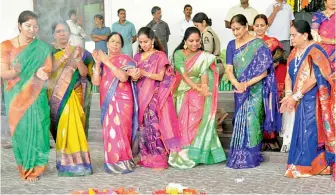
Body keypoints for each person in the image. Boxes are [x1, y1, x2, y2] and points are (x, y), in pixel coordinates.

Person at [0, 10, 52, 182]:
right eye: (28, 26)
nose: (32, 29)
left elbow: (47, 69)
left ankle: (36, 166)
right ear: (19, 26)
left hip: (36, 94)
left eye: (35, 26)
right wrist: (13, 71)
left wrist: (41, 73)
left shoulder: (42, 48)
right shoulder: (6, 46)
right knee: (21, 131)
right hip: (15, 96)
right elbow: (3, 73)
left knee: (39, 128)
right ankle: (27, 168)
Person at [225, 14, 282, 169]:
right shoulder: (231, 45)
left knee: (252, 121)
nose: (235, 32)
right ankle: (238, 154)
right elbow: (229, 69)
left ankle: (252, 155)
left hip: (256, 89)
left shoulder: (258, 44)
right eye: (233, 29)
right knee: (240, 120)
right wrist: (237, 83)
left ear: (246, 27)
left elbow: (264, 72)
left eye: (238, 29)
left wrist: (247, 83)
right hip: (239, 89)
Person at [281, 20, 335, 180]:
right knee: (299, 130)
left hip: (312, 99)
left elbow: (314, 78)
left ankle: (313, 165)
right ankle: (298, 163)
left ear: (305, 35)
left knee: (310, 131)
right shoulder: (293, 52)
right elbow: (288, 76)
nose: (291, 39)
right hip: (298, 99)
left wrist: (297, 95)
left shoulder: (316, 50)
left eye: (294, 35)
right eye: (290, 35)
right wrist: (289, 93)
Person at [168, 27, 226, 169]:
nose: (194, 43)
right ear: (185, 41)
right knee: (183, 123)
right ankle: (182, 153)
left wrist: (204, 87)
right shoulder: (178, 54)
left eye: (197, 41)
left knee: (196, 122)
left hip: (199, 93)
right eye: (191, 41)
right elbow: (183, 75)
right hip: (183, 91)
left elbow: (204, 73)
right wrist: (198, 88)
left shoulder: (203, 56)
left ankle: (196, 152)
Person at [128, 27, 182, 170]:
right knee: (143, 126)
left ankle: (158, 158)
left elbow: (160, 76)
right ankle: (146, 157)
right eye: (140, 42)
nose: (143, 45)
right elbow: (135, 78)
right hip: (140, 95)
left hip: (153, 96)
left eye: (145, 41)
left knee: (154, 125)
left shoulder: (160, 56)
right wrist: (133, 75)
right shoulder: (137, 57)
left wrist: (144, 72)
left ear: (152, 40)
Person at [49, 21, 93, 177]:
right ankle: (65, 162)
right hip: (57, 96)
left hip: (75, 94)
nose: (62, 33)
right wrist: (65, 57)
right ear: (54, 34)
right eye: (58, 31)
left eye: (65, 31)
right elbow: (48, 71)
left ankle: (80, 163)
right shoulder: (48, 51)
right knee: (63, 127)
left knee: (75, 126)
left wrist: (78, 59)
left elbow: (83, 74)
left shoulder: (79, 50)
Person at [91, 32, 139, 174]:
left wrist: (106, 62)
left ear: (122, 46)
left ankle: (124, 161)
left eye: (118, 42)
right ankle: (112, 162)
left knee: (122, 130)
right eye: (112, 41)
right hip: (106, 99)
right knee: (110, 130)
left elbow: (123, 77)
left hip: (123, 100)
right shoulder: (102, 61)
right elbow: (95, 82)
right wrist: (98, 63)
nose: (115, 44)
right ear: (107, 44)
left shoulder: (125, 59)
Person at [253, 14, 287, 151]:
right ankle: (257, 138)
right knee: (256, 109)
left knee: (268, 109)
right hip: (253, 82)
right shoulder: (249, 41)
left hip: (269, 80)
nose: (259, 28)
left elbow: (279, 60)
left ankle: (270, 138)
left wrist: (264, 70)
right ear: (252, 26)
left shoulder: (273, 41)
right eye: (257, 25)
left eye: (262, 25)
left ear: (267, 26)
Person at [193, 12, 228, 131]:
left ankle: (219, 114)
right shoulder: (211, 31)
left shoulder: (206, 33)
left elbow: (207, 53)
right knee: (211, 95)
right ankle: (217, 122)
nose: (197, 29)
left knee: (208, 96)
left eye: (197, 26)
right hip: (217, 64)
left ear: (203, 22)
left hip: (213, 66)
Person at [312, 0, 335, 71]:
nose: (334, 1)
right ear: (325, 2)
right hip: (322, 51)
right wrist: (332, 41)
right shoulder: (318, 15)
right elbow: (314, 34)